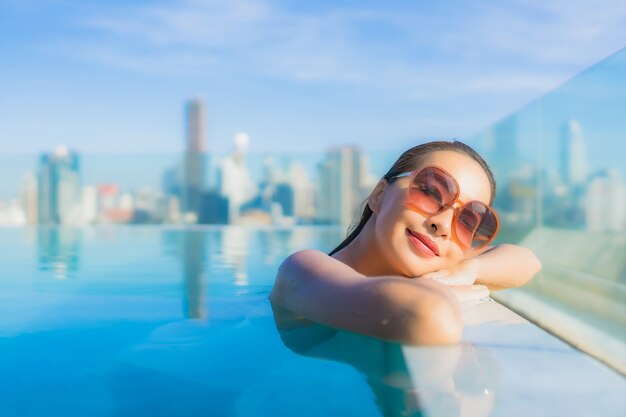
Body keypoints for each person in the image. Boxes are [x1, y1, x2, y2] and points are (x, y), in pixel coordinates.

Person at [270, 140, 541, 345]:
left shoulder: (444, 255)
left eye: (468, 221)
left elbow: (528, 262)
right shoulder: (303, 269)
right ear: (378, 195)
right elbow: (428, 316)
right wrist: (435, 289)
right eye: (431, 192)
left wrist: (463, 272)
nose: (444, 224)